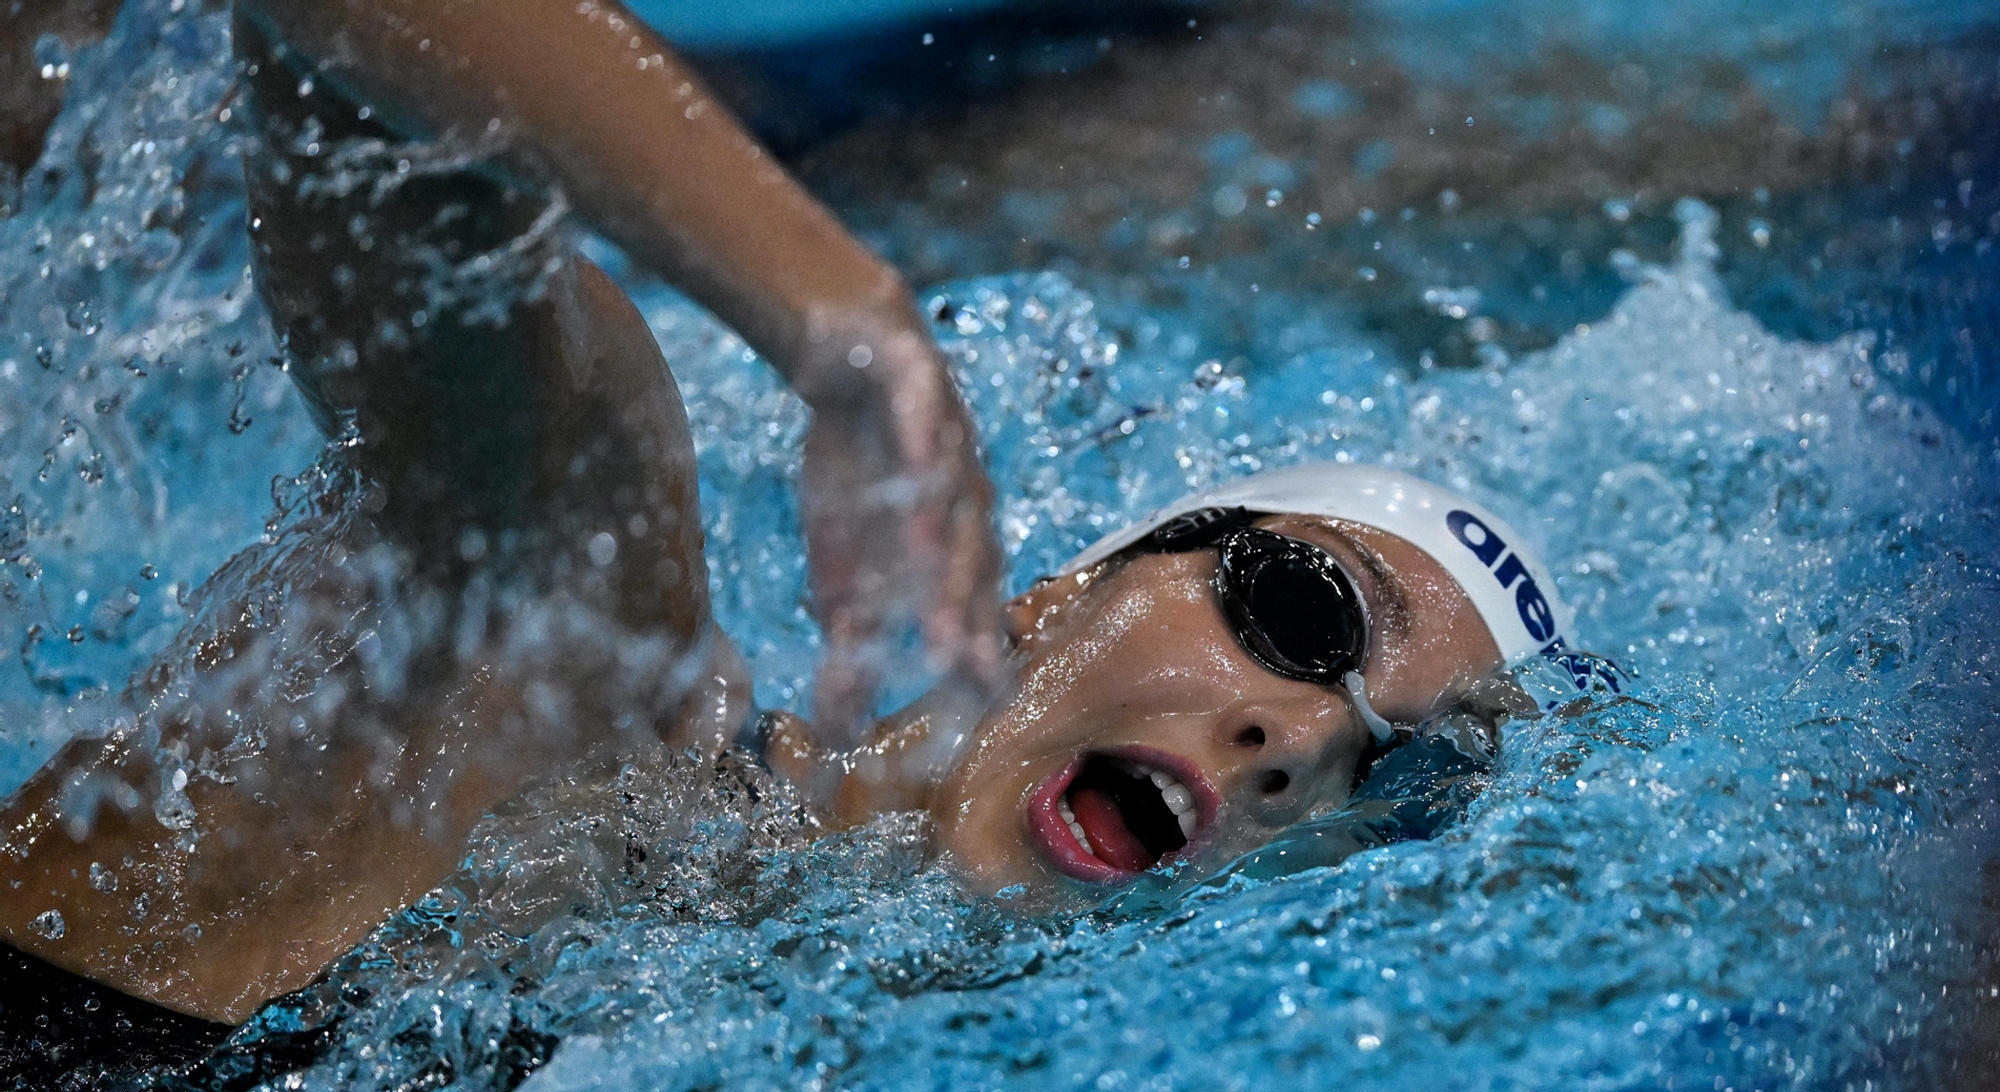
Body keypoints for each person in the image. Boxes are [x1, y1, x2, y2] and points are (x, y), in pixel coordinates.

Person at [0, 0, 1576, 1031]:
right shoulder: (562, 655)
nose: (1304, 739)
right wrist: (839, 316)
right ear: (1060, 593)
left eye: (1399, 774)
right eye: (1305, 611)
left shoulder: (815, 1082)